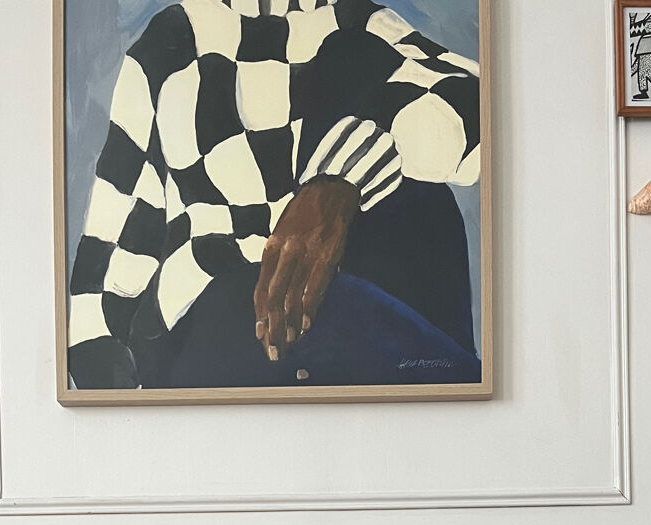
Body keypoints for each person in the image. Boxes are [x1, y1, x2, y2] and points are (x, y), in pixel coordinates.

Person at [67, 0, 482, 391]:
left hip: (342, 320)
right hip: (208, 332)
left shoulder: (356, 25)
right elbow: (109, 256)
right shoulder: (171, 42)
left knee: (420, 195)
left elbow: (479, 106)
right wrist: (115, 412)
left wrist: (338, 180)